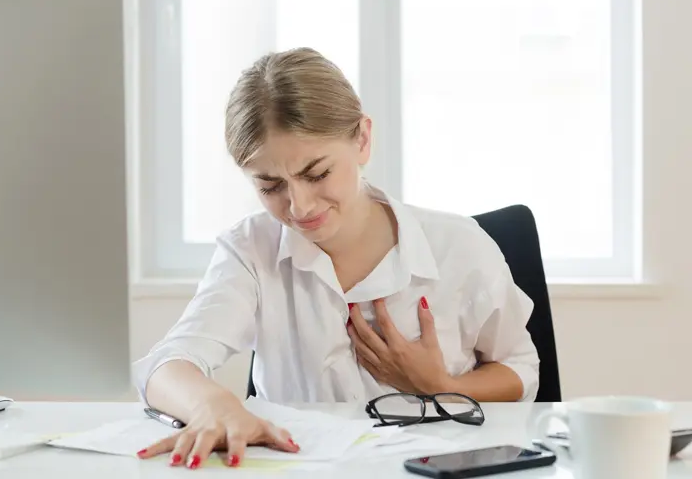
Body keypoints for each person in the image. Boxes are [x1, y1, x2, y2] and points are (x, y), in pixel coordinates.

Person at [132, 47, 540, 469]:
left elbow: (520, 368)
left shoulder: (459, 246)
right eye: (271, 187)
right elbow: (165, 365)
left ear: (362, 140)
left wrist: (441, 385)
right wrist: (212, 405)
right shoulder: (251, 249)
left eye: (317, 174)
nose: (300, 206)